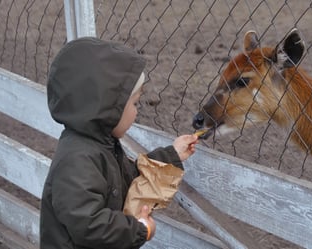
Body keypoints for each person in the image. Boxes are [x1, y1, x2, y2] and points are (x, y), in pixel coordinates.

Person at [40, 37, 198, 249]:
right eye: (134, 103)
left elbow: (128, 178)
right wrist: (140, 229)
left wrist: (171, 155)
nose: (137, 110)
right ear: (106, 109)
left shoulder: (101, 145)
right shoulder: (77, 159)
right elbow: (89, 224)